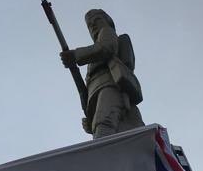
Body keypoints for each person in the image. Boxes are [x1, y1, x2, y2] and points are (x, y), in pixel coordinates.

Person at [60, 9, 144, 139]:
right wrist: (90, 114)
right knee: (124, 124)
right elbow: (85, 88)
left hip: (110, 86)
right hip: (97, 93)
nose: (93, 26)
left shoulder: (107, 32)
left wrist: (75, 55)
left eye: (97, 20)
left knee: (104, 122)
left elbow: (107, 47)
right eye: (90, 25)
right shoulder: (92, 59)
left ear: (108, 22)